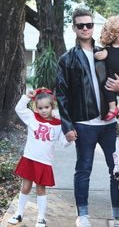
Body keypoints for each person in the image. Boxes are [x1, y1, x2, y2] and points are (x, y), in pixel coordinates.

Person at [56, 8, 119, 227]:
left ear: (93, 26)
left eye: (89, 25)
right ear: (74, 28)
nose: (85, 28)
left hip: (109, 122)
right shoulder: (67, 59)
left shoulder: (104, 53)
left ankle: (118, 214)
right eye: (80, 25)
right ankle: (83, 215)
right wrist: (67, 126)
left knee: (116, 169)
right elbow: (61, 94)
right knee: (83, 169)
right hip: (84, 124)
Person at [8, 88, 69, 227]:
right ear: (36, 107)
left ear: (52, 107)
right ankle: (19, 213)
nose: (43, 110)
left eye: (47, 107)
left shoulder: (58, 125)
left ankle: (41, 218)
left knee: (41, 189)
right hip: (30, 158)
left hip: (44, 162)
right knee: (25, 187)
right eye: (40, 107)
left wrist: (70, 138)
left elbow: (63, 143)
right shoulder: (32, 117)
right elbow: (19, 109)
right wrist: (26, 97)